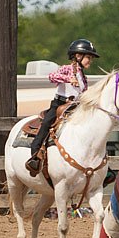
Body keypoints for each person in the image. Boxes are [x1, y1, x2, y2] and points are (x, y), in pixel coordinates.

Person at [25, 38, 99, 177]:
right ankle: (34, 156)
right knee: (46, 123)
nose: (90, 60)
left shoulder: (83, 77)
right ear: (78, 56)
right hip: (59, 105)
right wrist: (68, 79)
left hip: (76, 108)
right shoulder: (67, 68)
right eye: (88, 57)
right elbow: (52, 76)